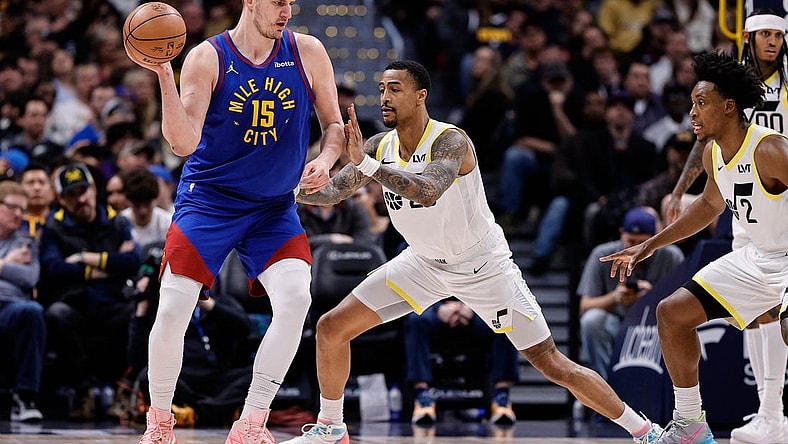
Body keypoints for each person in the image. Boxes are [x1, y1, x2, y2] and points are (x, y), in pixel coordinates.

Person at [282, 60, 662, 444]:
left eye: (395, 89)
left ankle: (645, 431)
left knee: (552, 364)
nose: (384, 97)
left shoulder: (450, 140)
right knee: (331, 327)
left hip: (483, 266)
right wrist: (284, 187)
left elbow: (428, 191)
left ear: (421, 96)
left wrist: (367, 165)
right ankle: (331, 427)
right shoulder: (379, 145)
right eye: (381, 89)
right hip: (423, 262)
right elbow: (332, 193)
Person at [124, 0, 345, 441]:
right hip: (209, 201)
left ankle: (250, 423)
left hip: (273, 208)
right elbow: (184, 142)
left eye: (291, 2)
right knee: (171, 309)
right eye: (277, 2)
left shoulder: (308, 51)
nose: (287, 10)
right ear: (250, 1)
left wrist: (326, 158)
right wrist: (165, 73)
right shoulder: (208, 57)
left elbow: (334, 125)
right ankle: (160, 422)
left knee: (296, 300)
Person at [602, 51, 788, 444]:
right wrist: (648, 246)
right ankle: (690, 425)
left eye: (701, 103)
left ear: (729, 106)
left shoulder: (770, 150)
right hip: (758, 259)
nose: (693, 113)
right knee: (672, 314)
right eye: (692, 104)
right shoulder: (712, 153)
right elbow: (708, 206)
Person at [665, 10, 788, 443]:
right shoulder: (719, 127)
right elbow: (709, 186)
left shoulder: (773, 135)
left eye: (779, 34)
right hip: (753, 221)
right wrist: (679, 196)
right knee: (754, 316)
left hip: (780, 209)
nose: (773, 41)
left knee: (784, 320)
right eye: (766, 34)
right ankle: (763, 413)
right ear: (748, 37)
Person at [39, 162, 142, 420]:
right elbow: (53, 268)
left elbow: (132, 261)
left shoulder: (116, 222)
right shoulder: (54, 227)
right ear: (61, 199)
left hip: (113, 302)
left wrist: (85, 257)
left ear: (94, 189)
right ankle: (82, 391)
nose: (80, 199)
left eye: (84, 191)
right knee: (57, 315)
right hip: (76, 303)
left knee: (140, 315)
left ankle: (125, 390)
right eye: (72, 194)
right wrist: (109, 264)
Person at [578, 206, 684, 381]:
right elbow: (585, 305)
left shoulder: (671, 256)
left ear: (655, 239)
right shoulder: (603, 254)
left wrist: (653, 296)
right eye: (630, 241)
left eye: (642, 243)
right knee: (592, 320)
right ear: (621, 233)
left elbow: (684, 305)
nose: (635, 249)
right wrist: (615, 297)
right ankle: (607, 389)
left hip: (654, 326)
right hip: (617, 322)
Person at [404, 298, 520, 426]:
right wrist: (439, 308)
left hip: (477, 308)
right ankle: (422, 397)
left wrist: (473, 308)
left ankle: (501, 397)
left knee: (504, 320)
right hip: (436, 308)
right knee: (416, 320)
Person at [0, 181, 44, 422]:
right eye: (12, 207)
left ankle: (25, 397)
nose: (19, 214)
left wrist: (2, 265)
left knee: (32, 311)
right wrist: (8, 263)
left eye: (22, 209)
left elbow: (30, 277)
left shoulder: (25, 242)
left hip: (11, 305)